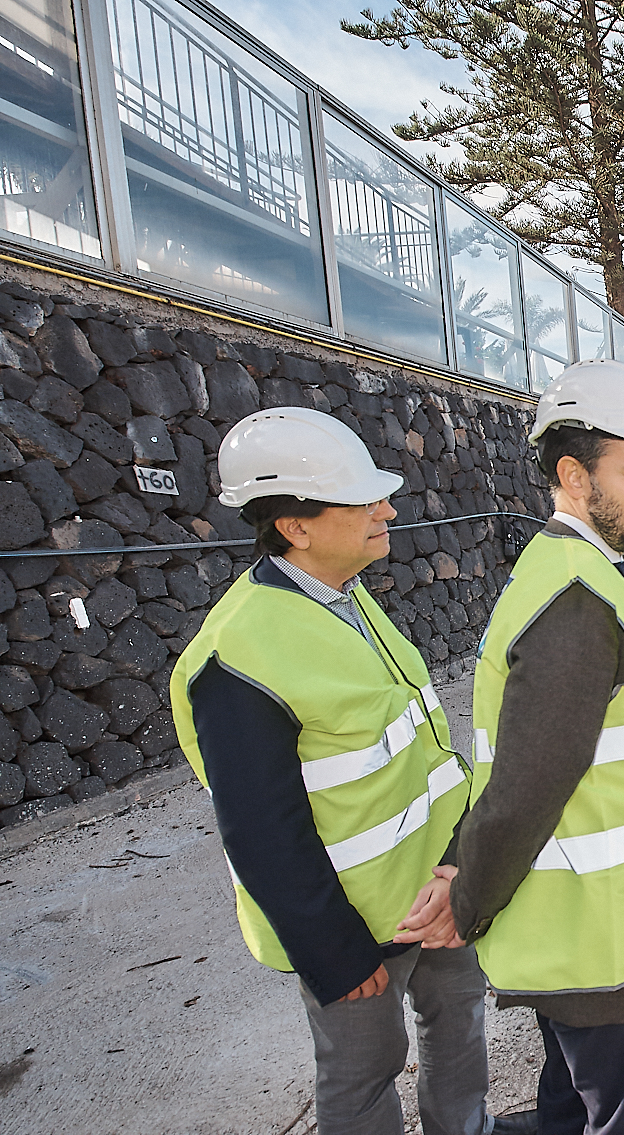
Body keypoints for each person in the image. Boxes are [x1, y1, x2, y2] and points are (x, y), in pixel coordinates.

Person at [170, 407, 519, 1135]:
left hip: (438, 889)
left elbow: (424, 756)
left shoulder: (348, 598)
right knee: (363, 1072)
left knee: (459, 1025)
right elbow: (262, 832)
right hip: (356, 924)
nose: (387, 509)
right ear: (295, 526)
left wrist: (460, 866)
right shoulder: (237, 656)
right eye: (364, 500)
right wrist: (333, 952)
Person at [449, 359, 624, 1135]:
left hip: (600, 937)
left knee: (570, 1106)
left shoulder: (575, 572)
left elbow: (598, 739)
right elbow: (527, 788)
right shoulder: (577, 596)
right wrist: (466, 901)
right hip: (614, 947)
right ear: (572, 473)